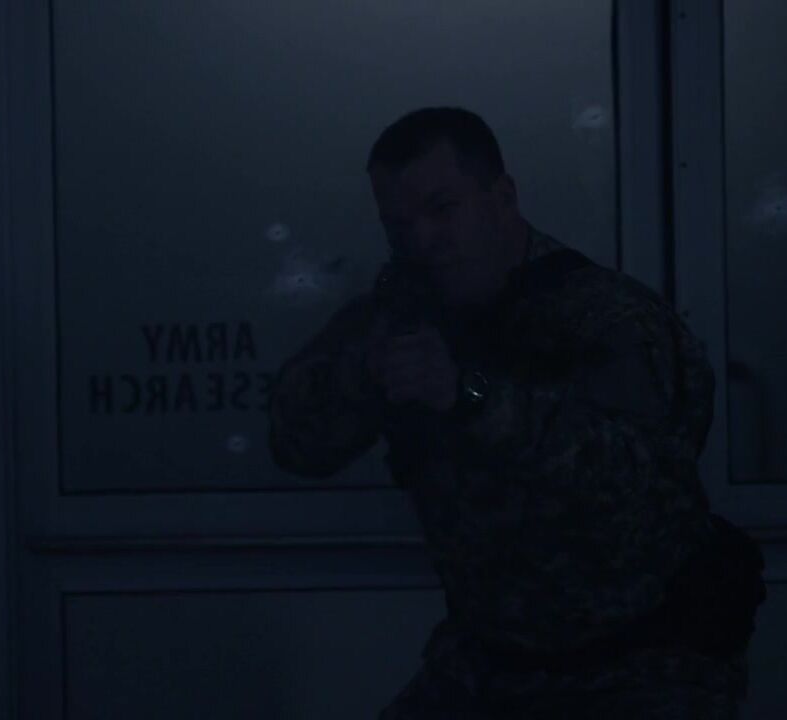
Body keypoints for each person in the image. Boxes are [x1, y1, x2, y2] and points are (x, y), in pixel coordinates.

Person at [267, 107, 766, 719]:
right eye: (399, 223)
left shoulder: (609, 320)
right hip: (489, 663)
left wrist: (468, 395)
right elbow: (297, 443)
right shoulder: (403, 316)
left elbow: (633, 484)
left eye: (443, 209)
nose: (421, 239)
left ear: (502, 197)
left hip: (638, 664)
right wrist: (362, 374)